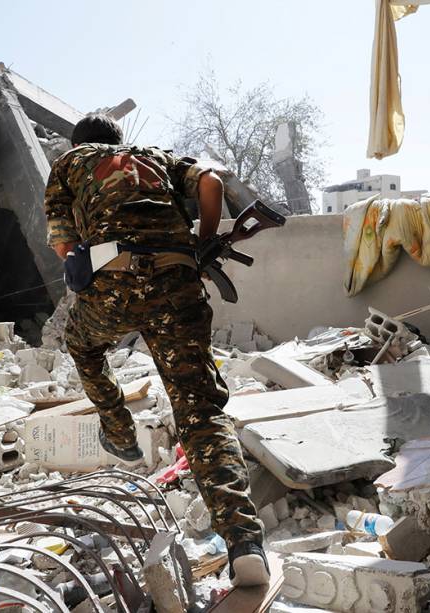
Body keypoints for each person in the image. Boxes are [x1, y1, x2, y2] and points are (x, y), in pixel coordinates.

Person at [43, 114, 268, 586]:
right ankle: (244, 540)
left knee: (83, 346)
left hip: (112, 288)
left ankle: (119, 432)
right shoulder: (156, 158)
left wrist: (76, 262)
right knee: (201, 411)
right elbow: (210, 181)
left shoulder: (70, 163)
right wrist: (204, 239)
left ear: (78, 143)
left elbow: (63, 242)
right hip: (176, 286)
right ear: (118, 141)